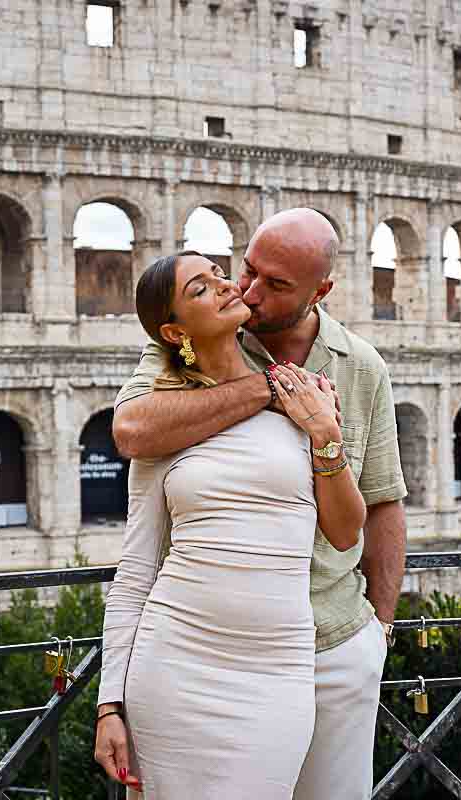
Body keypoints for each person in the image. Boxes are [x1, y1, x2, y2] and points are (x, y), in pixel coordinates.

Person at [100, 208, 408, 799]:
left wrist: (381, 630)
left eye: (277, 284)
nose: (248, 290)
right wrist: (271, 387)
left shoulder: (360, 367)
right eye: (248, 271)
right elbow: (134, 432)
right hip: (188, 648)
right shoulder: (184, 353)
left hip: (329, 639)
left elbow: (380, 505)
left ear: (321, 291)